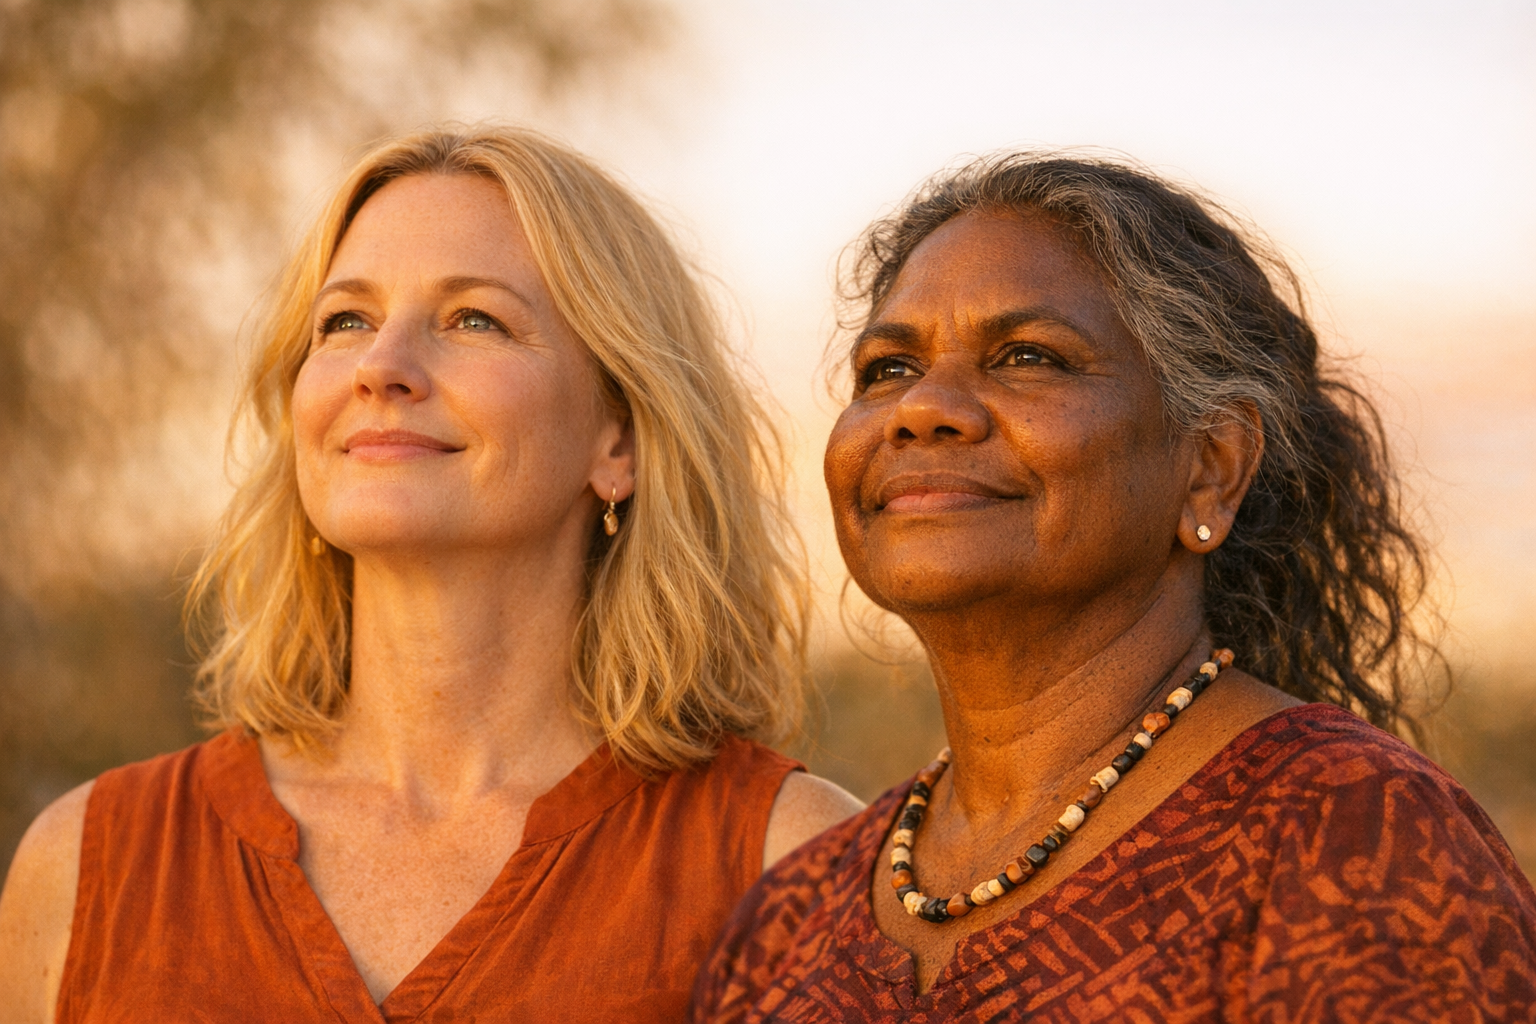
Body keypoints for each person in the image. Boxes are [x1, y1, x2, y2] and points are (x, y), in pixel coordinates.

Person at [0, 125, 862, 1023]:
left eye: (474, 319)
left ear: (620, 440)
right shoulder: (87, 865)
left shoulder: (792, 868)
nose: (382, 367)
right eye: (346, 321)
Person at [693, 153, 1536, 1023]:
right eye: (888, 369)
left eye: (1026, 356)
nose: (922, 408)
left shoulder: (1351, 840)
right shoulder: (787, 920)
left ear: (1211, 468)